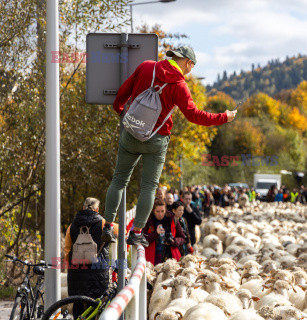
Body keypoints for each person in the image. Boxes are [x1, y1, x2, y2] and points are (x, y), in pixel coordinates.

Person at [101, 46, 237, 247]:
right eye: (192, 66)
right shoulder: (180, 86)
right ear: (188, 63)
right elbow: (194, 116)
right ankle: (137, 231)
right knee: (148, 186)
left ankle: (107, 226)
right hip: (157, 139)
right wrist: (224, 117)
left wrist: (121, 113)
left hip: (130, 133)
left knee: (119, 179)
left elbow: (122, 93)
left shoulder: (146, 67)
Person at [64, 198, 119, 318]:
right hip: (98, 276)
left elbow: (67, 251)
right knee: (97, 308)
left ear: (83, 207)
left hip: (76, 275)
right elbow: (121, 231)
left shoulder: (72, 226)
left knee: (78, 308)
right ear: (97, 210)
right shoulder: (105, 224)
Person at [143, 200, 167, 266]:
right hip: (153, 255)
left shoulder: (170, 220)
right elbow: (143, 238)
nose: (160, 214)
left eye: (162, 211)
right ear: (153, 211)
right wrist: (156, 233)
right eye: (157, 211)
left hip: (168, 254)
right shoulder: (148, 221)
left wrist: (174, 240)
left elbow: (181, 237)